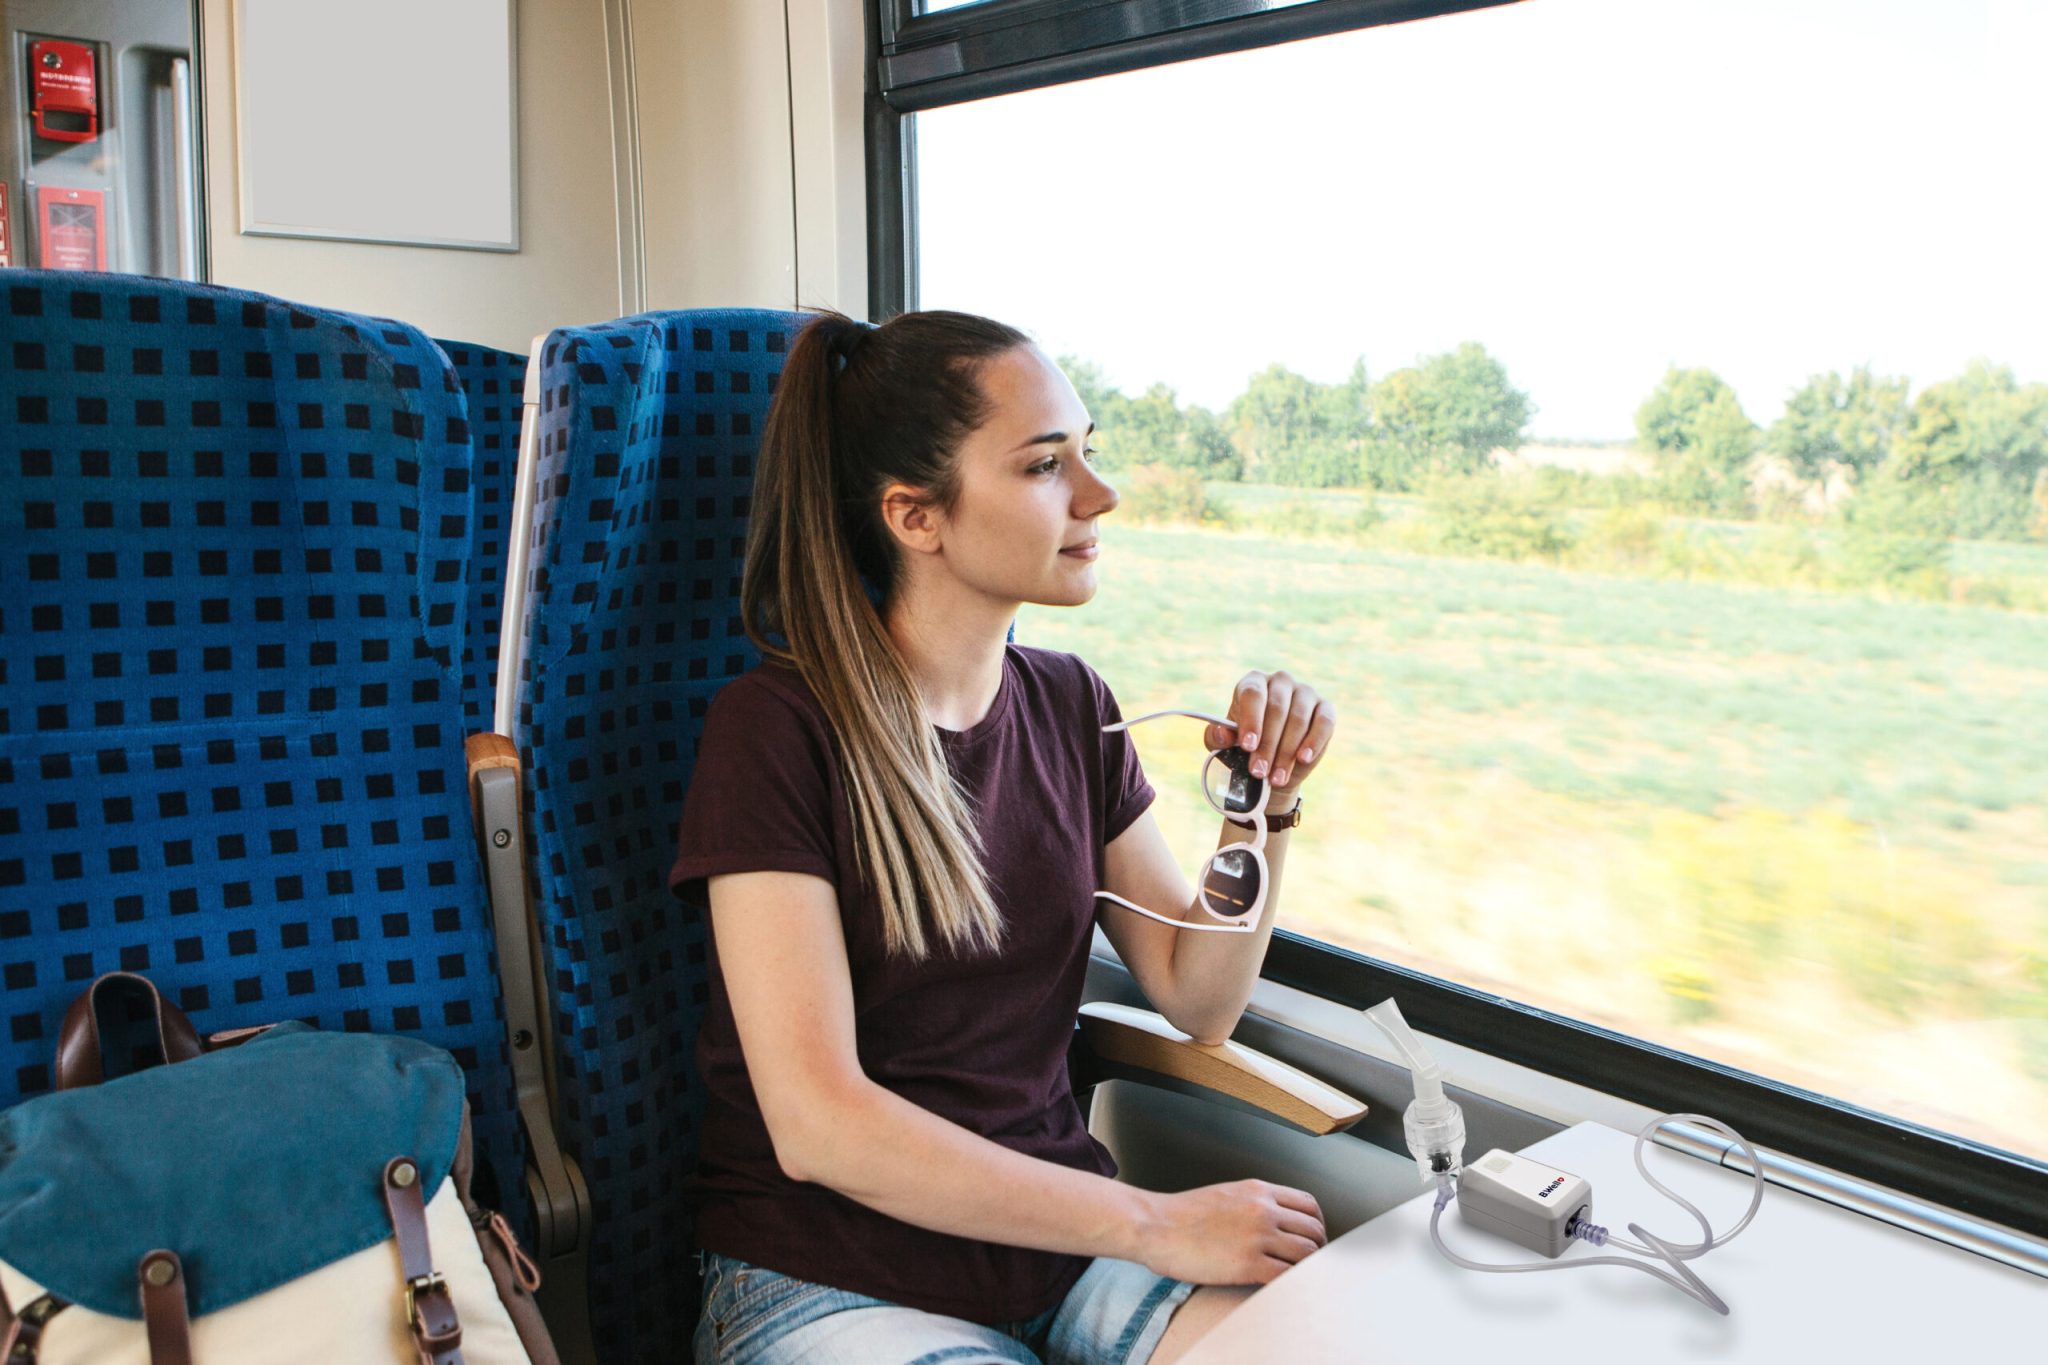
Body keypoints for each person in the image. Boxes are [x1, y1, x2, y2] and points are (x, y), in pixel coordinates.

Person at [667, 308, 1339, 1364]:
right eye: (1043, 465)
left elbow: (1197, 995)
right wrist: (1153, 1223)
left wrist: (1261, 806)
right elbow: (819, 1123)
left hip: (1053, 1249)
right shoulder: (776, 732)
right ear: (915, 515)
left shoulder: (1072, 704)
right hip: (828, 1277)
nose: (1099, 495)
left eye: (1087, 453)